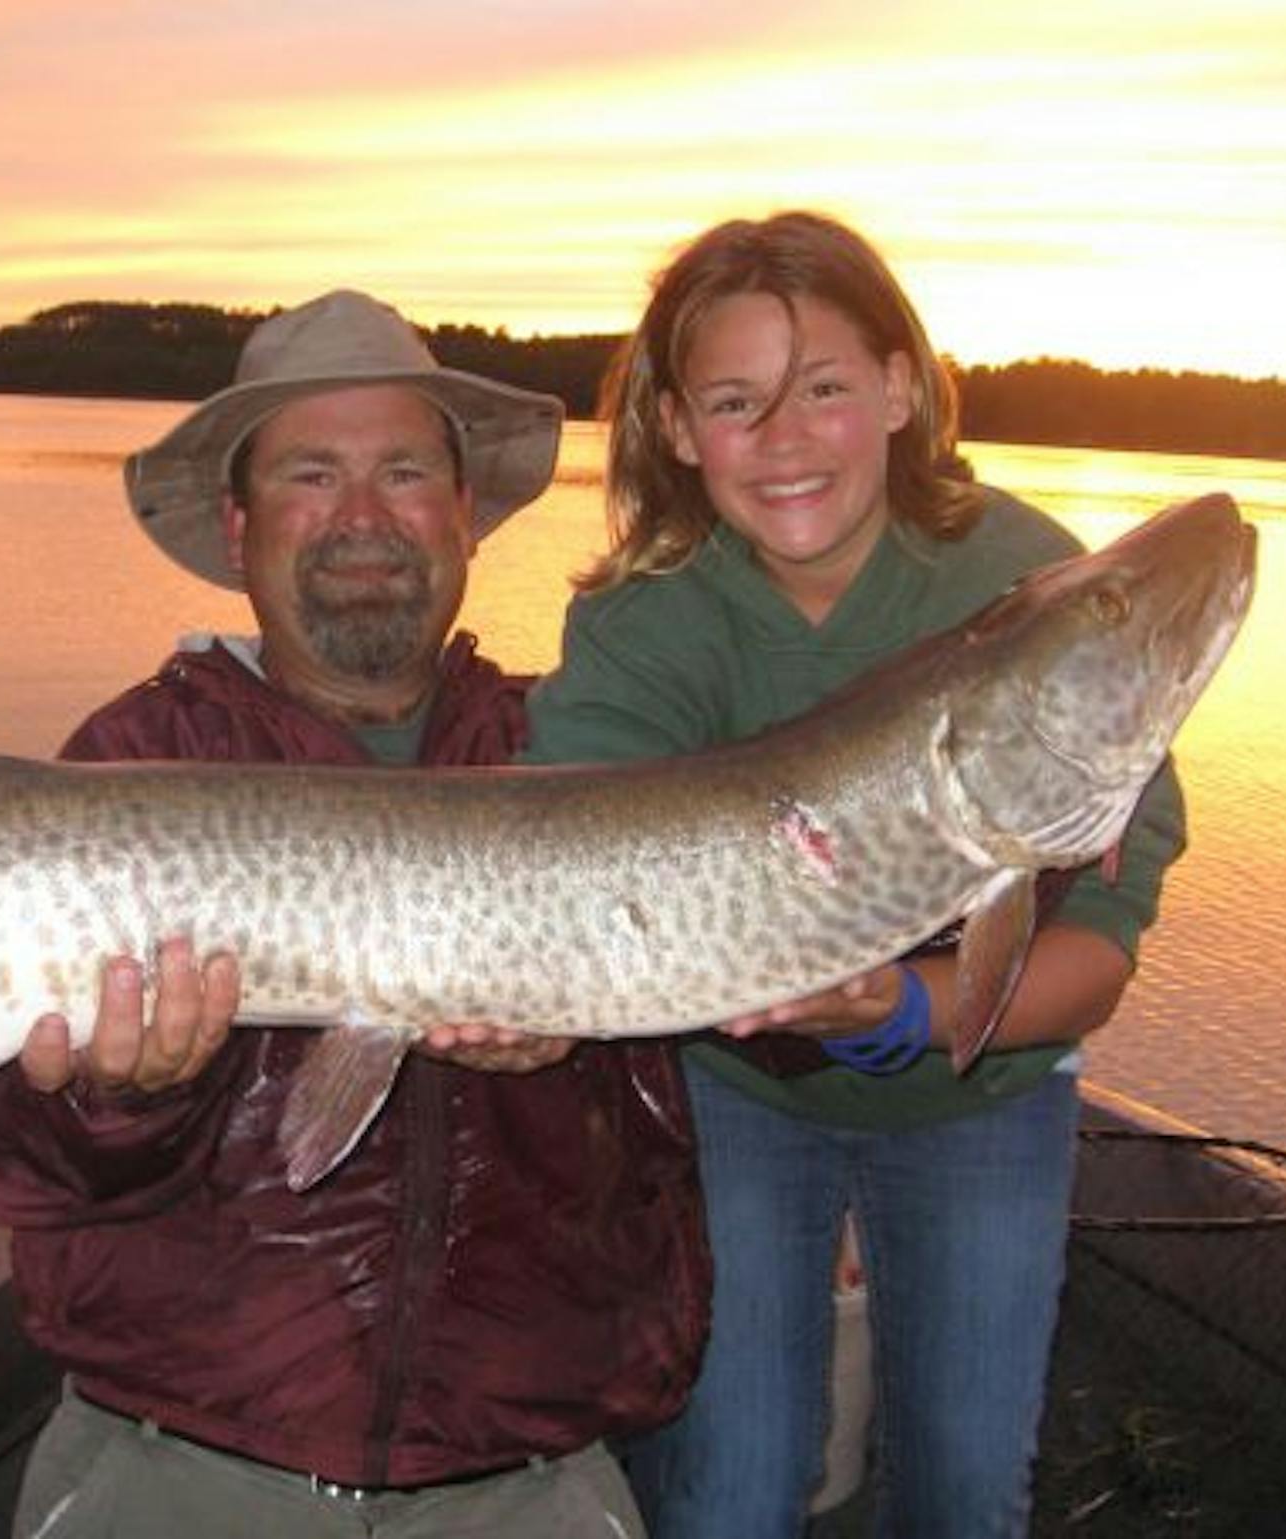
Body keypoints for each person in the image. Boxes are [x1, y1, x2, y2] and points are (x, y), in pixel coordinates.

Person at [0, 289, 710, 1539]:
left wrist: (592, 1041)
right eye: (313, 475)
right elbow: (15, 1165)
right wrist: (124, 1095)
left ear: (464, 516)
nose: (363, 517)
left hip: (525, 1486)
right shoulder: (132, 760)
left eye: (405, 472)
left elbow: (767, 1019)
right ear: (242, 525)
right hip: (178, 1471)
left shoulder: (581, 748)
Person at [521, 212, 1189, 1538]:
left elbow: (1101, 951)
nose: (783, 436)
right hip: (734, 1091)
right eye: (735, 399)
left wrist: (898, 1013)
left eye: (824, 385)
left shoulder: (1025, 582)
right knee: (728, 1490)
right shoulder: (644, 618)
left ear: (899, 389)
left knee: (962, 1485)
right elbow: (563, 853)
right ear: (672, 424)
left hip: (982, 1091)